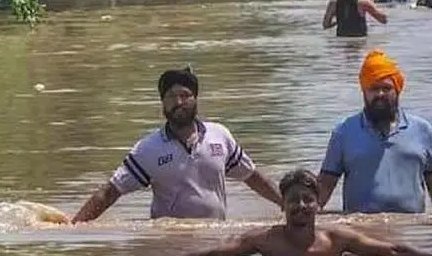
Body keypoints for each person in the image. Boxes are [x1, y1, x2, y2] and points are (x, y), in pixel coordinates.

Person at [71, 67, 284, 223]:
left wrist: (286, 204)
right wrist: (73, 227)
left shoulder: (219, 136)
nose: (179, 102)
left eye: (185, 95)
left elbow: (252, 176)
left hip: (215, 236)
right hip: (168, 241)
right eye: (171, 97)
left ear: (196, 99)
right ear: (162, 103)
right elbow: (110, 191)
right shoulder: (148, 149)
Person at [157, 169, 432, 256]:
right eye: (292, 200)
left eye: (307, 200)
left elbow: (392, 250)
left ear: (318, 206)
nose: (300, 205)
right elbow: (217, 254)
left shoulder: (335, 239)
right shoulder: (266, 240)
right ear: (283, 206)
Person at [317, 48, 432, 214]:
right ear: (364, 91)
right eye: (374, 88)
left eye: (386, 88)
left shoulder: (421, 130)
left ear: (397, 90)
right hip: (362, 234)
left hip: (412, 231)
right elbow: (324, 186)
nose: (380, 94)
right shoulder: (344, 132)